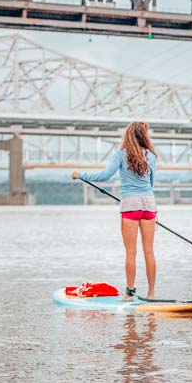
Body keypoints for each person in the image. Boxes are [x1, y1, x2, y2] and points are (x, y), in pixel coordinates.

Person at [72, 121, 159, 299]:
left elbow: (104, 176)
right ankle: (151, 293)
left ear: (127, 135)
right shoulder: (151, 155)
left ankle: (130, 292)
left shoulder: (120, 155)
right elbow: (151, 183)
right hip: (149, 205)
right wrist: (147, 201)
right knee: (149, 251)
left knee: (131, 252)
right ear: (144, 136)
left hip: (130, 206)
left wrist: (81, 175)